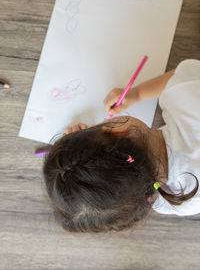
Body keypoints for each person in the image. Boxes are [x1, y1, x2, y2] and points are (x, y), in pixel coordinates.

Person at [43, 59, 200, 233]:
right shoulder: (187, 98)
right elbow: (178, 78)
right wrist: (138, 93)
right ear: (117, 129)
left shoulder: (176, 201)